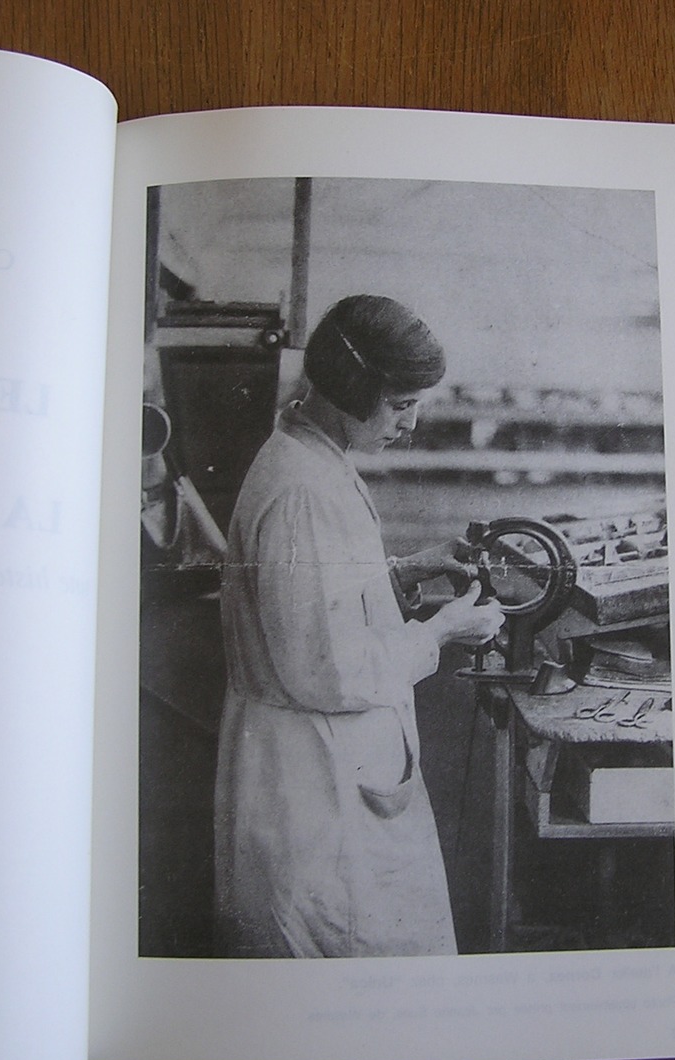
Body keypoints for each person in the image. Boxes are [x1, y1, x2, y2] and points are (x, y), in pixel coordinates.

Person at [214, 294, 503, 958]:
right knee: (342, 971)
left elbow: (318, 598)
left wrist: (404, 572)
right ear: (351, 390)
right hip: (313, 785)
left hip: (330, 768)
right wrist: (441, 632)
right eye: (401, 405)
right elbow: (327, 667)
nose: (412, 424)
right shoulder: (304, 492)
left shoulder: (315, 458)